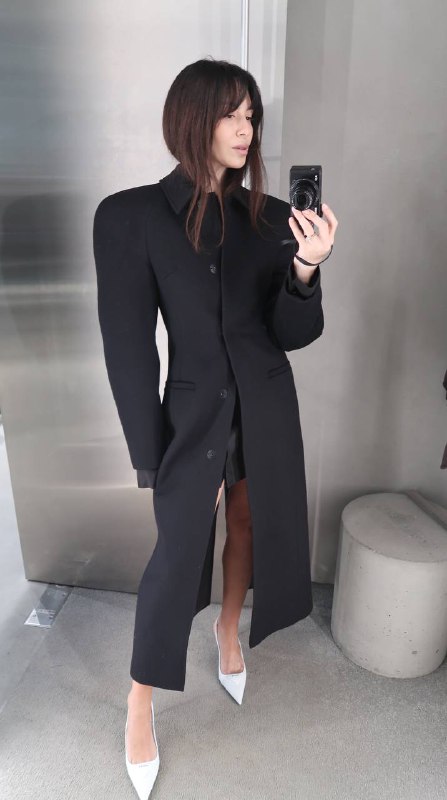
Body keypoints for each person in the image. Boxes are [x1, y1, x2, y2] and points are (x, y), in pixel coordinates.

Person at [93, 57, 338, 798]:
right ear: (191, 118)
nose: (245, 129)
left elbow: (291, 334)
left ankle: (229, 628)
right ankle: (140, 702)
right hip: (192, 412)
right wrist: (147, 450)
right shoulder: (131, 216)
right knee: (177, 553)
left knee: (248, 522)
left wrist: (306, 270)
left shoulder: (270, 218)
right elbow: (129, 347)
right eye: (231, 114)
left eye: (251, 115)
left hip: (265, 406)